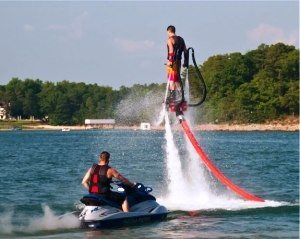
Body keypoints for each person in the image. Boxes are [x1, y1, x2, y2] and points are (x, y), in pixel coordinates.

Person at [166, 25, 188, 106]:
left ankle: (173, 97)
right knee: (177, 79)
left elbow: (171, 51)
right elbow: (186, 51)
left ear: (168, 31)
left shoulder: (170, 40)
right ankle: (181, 96)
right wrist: (186, 62)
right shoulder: (181, 39)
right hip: (179, 62)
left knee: (172, 79)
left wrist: (170, 62)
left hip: (173, 63)